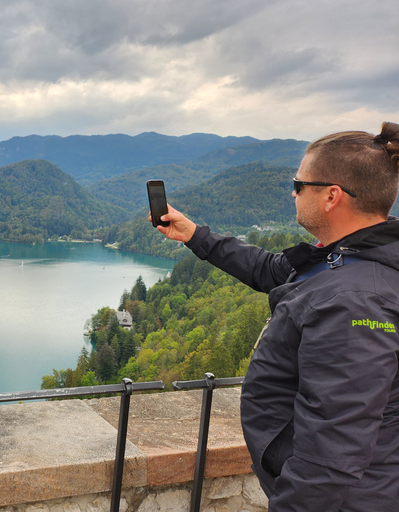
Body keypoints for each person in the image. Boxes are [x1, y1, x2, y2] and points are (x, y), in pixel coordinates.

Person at [155, 122, 399, 511]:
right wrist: (195, 235)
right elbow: (272, 269)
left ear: (332, 196)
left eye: (299, 184)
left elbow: (332, 453)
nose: (293, 192)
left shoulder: (355, 300)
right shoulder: (347, 258)